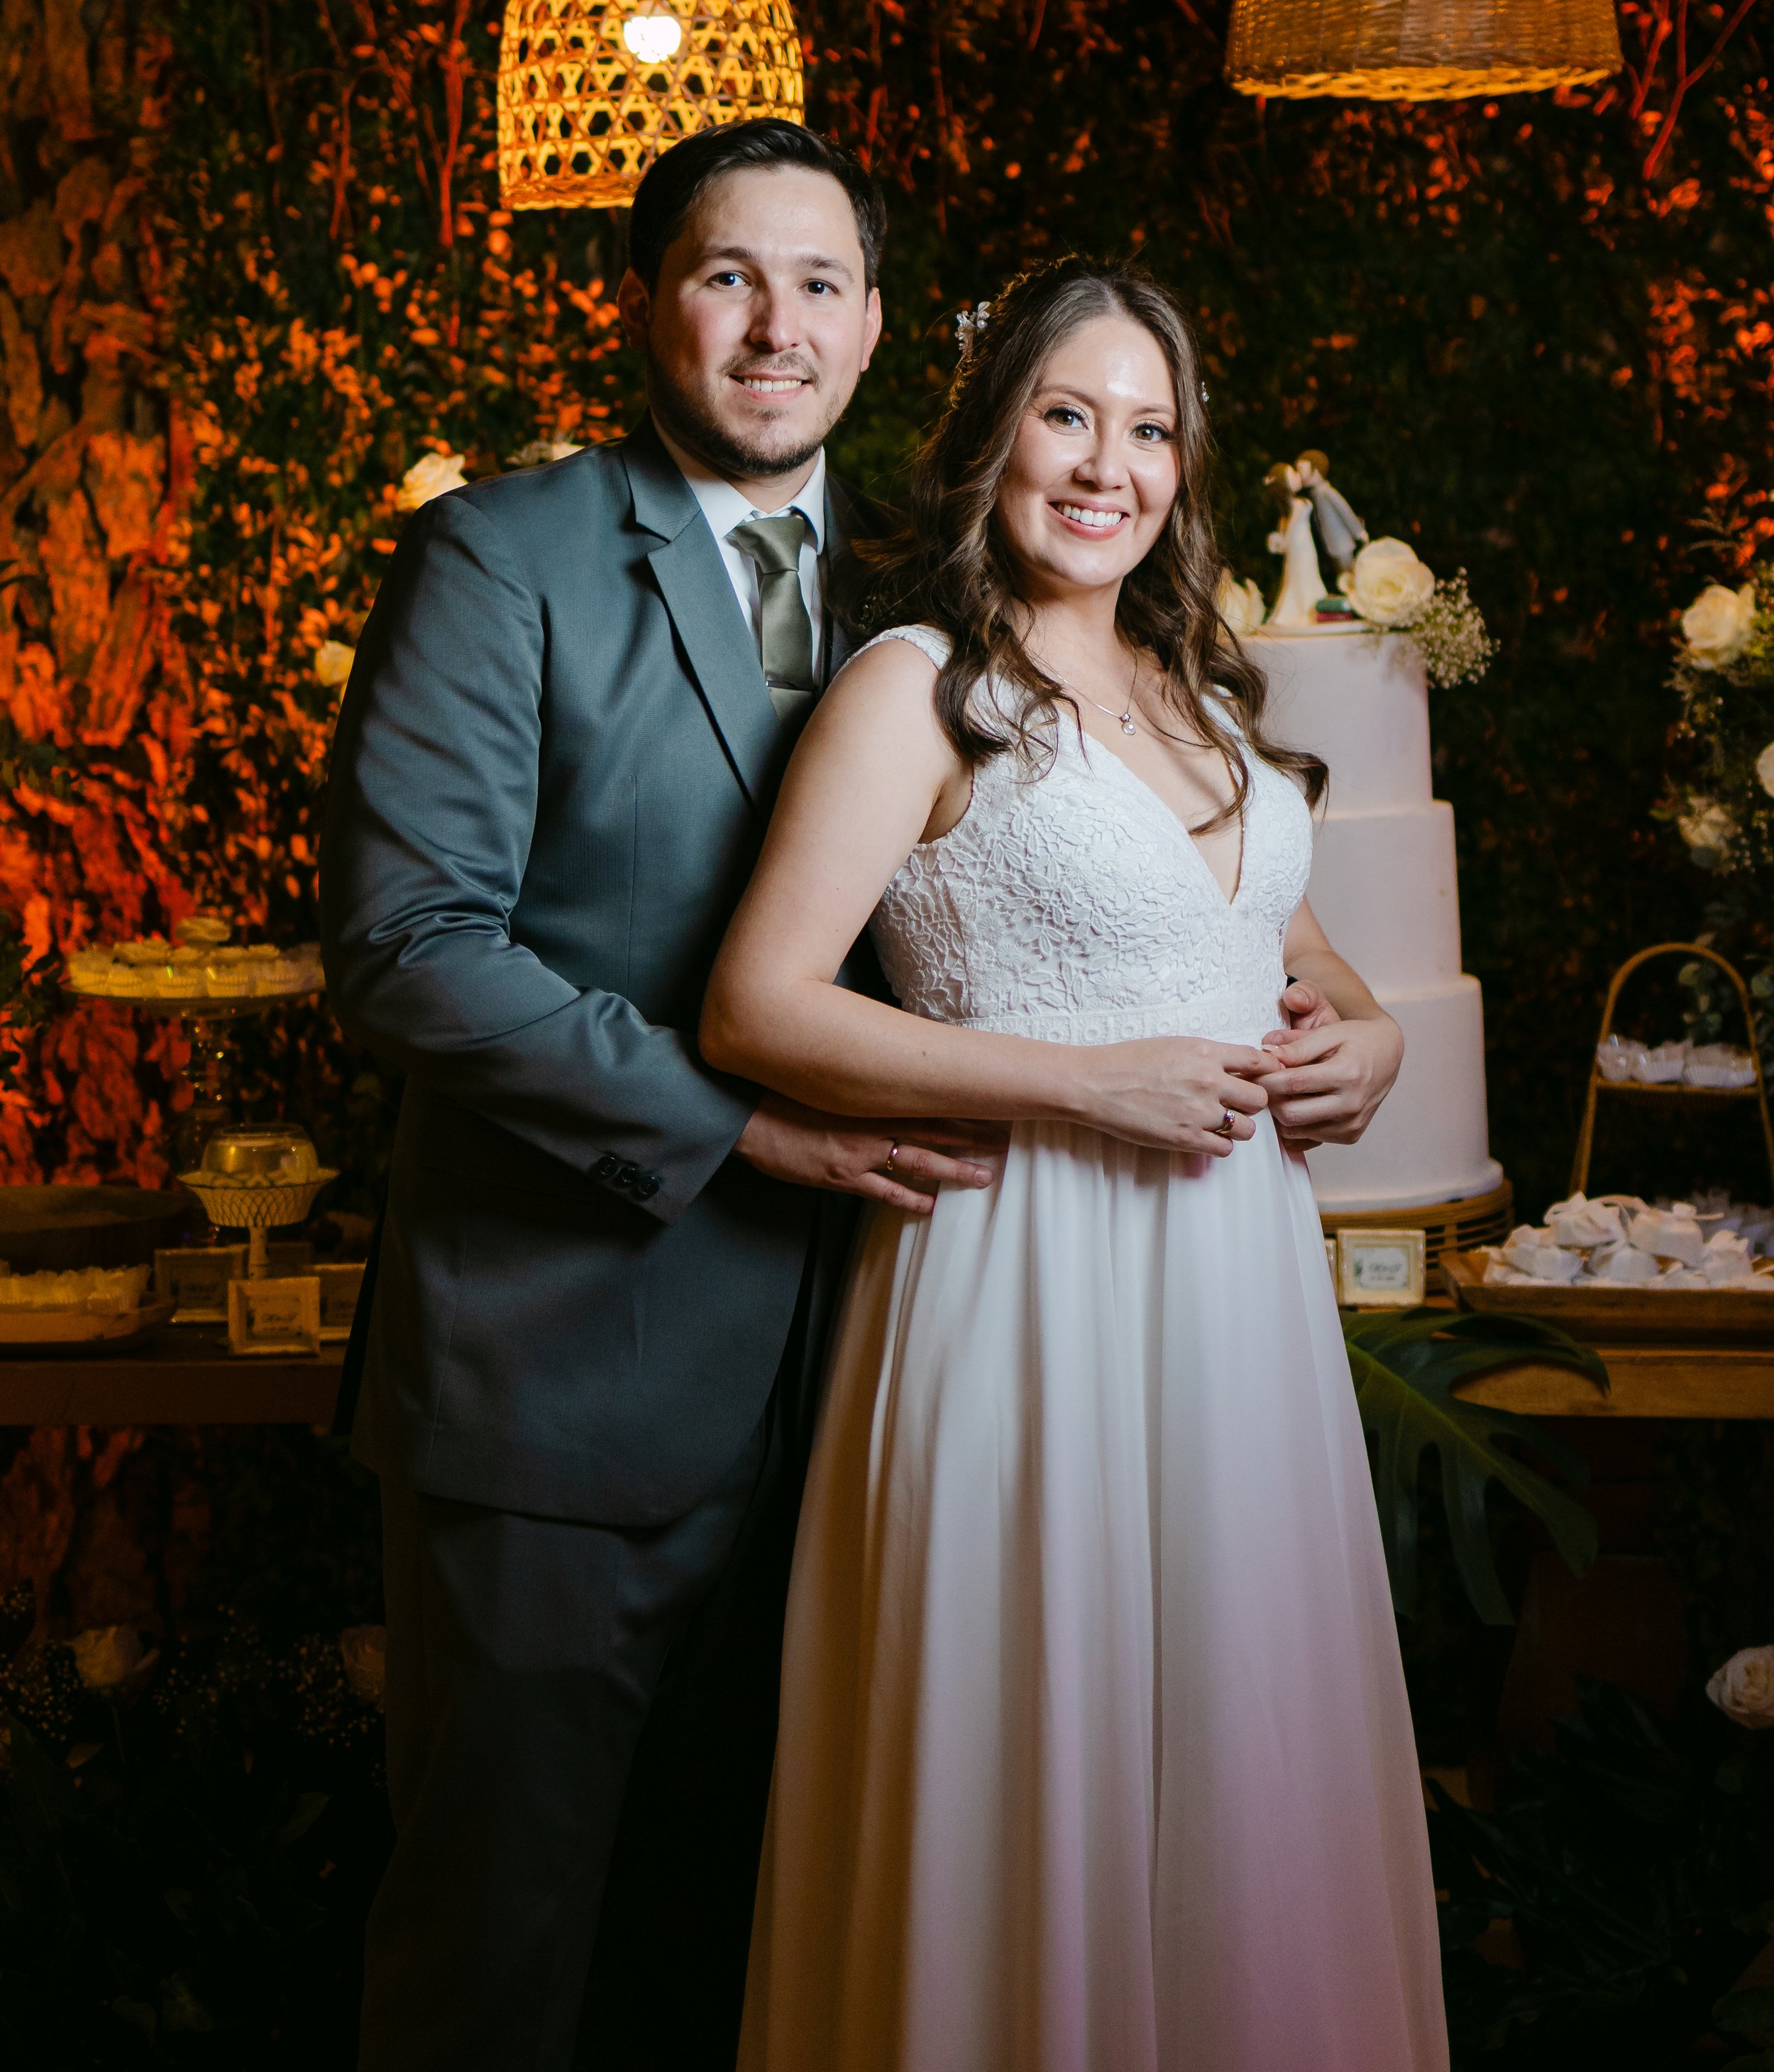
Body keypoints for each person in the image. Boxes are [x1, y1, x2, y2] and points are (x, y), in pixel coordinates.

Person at [703, 259, 1450, 2072]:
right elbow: (755, 1007)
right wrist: (1080, 1088)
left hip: (1239, 1310)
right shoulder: (912, 689)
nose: (1108, 466)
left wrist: (1371, 1037)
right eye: (1066, 415)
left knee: (1241, 1746)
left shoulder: (1197, 698)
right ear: (993, 437)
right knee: (1028, 1737)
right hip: (1020, 1282)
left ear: (1183, 469)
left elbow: (1275, 945)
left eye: (1149, 430)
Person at [319, 118, 998, 2072]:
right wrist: (736, 1122)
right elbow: (408, 944)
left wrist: (1324, 1005)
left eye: (817, 283)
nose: (775, 325)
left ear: (874, 325)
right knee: (499, 1957)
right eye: (726, 275)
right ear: (642, 304)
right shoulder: (499, 555)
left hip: (868, 1389)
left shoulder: (931, 585)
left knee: (765, 1968)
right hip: (557, 1379)